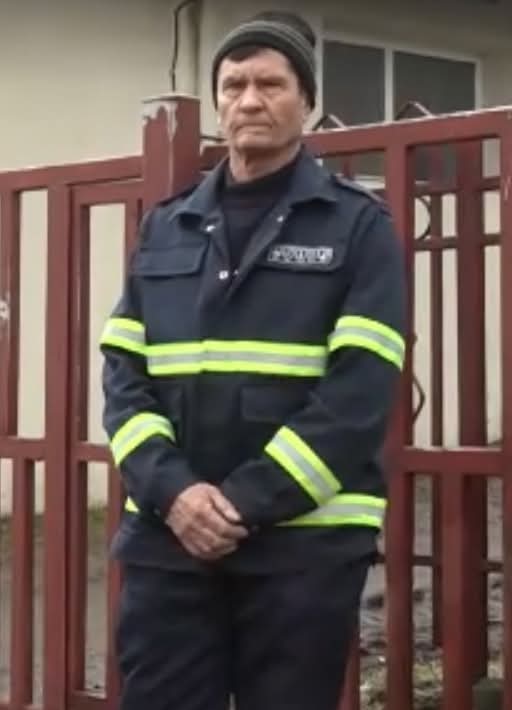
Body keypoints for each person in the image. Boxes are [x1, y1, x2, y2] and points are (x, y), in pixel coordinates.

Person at [100, 9, 406, 710]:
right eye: (234, 85)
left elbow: (358, 396)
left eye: (270, 84)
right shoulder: (166, 225)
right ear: (218, 103)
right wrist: (174, 493)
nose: (249, 100)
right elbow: (123, 378)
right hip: (168, 543)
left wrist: (241, 503)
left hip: (303, 551)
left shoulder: (360, 228)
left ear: (308, 103)